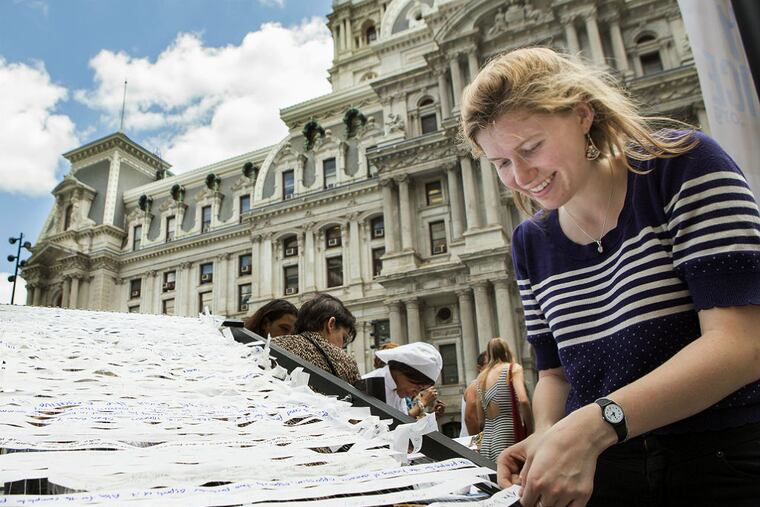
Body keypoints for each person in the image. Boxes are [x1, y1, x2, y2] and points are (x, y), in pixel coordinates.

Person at [460, 47, 760, 507]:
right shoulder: (530, 241)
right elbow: (557, 374)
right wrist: (546, 435)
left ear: (582, 115)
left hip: (724, 455)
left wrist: (593, 426)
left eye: (531, 147)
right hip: (605, 471)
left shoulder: (683, 164)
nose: (520, 176)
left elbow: (742, 343)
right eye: (500, 163)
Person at [465, 338, 533, 462]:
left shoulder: (481, 377)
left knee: (494, 478)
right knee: (512, 478)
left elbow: (481, 420)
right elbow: (523, 400)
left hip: (487, 440)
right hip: (507, 434)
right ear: (507, 351)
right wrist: (531, 430)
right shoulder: (513, 369)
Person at [272, 293, 360, 384]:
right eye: (343, 338)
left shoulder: (271, 347)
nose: (341, 347)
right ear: (331, 324)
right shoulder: (344, 362)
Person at [363, 342, 443, 415]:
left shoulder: (397, 389)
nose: (415, 393)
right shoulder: (370, 384)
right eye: (418, 387)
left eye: (421, 390)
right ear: (404, 370)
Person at [460, 351, 487, 438]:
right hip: (472, 446)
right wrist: (479, 443)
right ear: (479, 368)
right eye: (490, 364)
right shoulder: (475, 386)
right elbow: (470, 417)